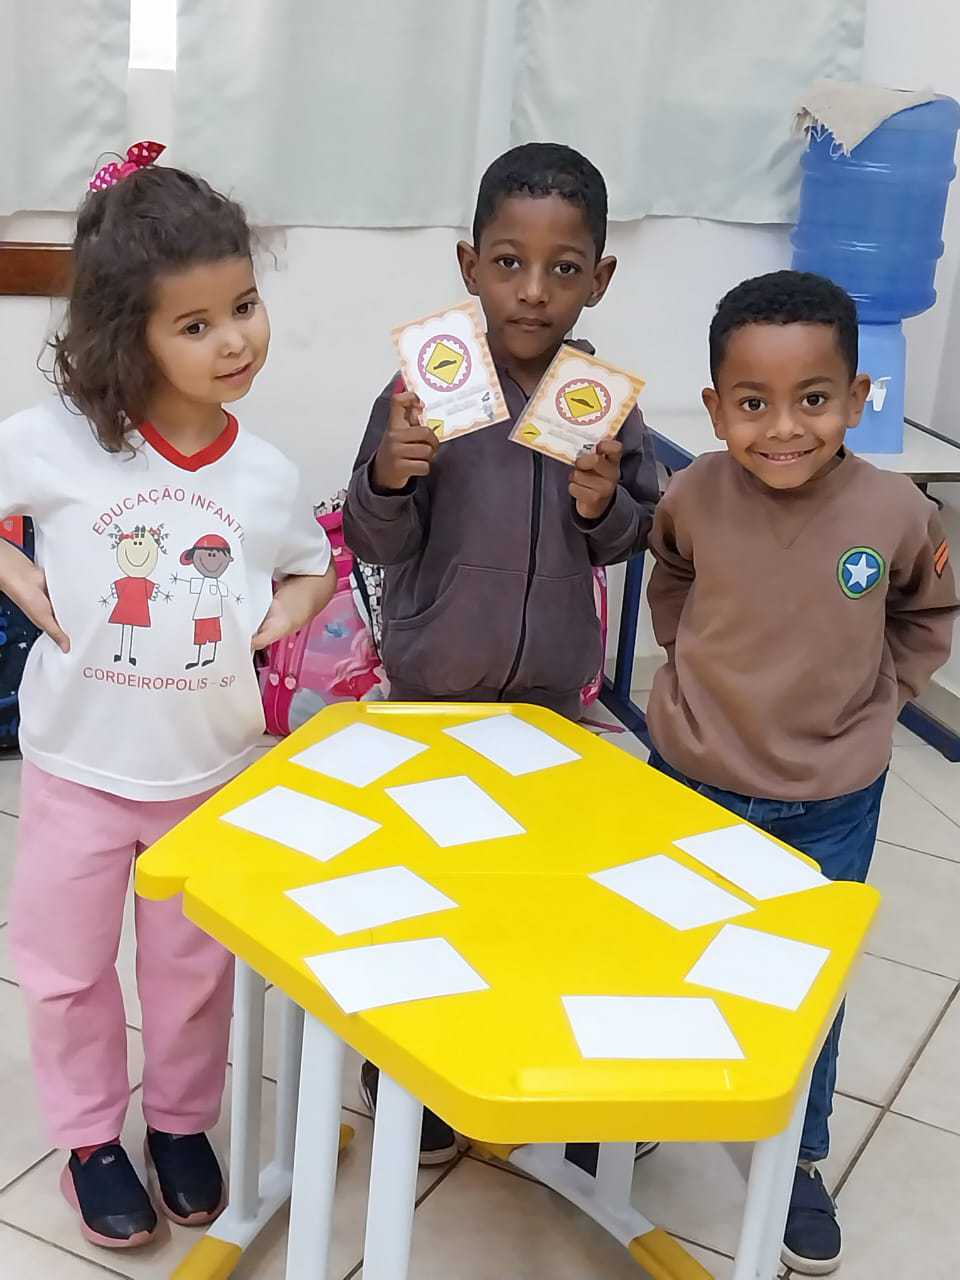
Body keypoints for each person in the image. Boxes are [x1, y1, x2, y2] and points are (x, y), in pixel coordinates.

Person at [0, 153, 336, 1251]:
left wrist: (282, 616)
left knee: (191, 976)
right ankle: (91, 1140)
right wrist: (17, 575)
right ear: (124, 336)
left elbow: (309, 565)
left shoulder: (265, 474)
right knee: (65, 971)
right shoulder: (56, 440)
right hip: (75, 767)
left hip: (208, 772)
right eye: (195, 324)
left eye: (244, 305)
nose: (235, 340)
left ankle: (181, 1123)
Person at [344, 142, 659, 1162]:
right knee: (423, 882)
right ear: (469, 264)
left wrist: (605, 506)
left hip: (550, 699)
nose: (533, 290)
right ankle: (406, 1060)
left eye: (563, 268)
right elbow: (376, 541)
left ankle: (512, 1041)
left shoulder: (601, 398)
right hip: (434, 690)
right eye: (509, 262)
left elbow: (632, 534)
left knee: (527, 883)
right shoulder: (428, 385)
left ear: (599, 279)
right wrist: (389, 477)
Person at [645, 270, 958, 1275]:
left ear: (858, 397)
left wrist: (880, 698)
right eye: (753, 402)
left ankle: (796, 1156)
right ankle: (641, 1105)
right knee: (664, 950)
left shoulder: (898, 511)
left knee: (802, 983)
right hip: (690, 778)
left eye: (813, 398)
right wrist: (690, 669)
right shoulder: (694, 491)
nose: (784, 428)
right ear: (715, 408)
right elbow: (671, 576)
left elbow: (927, 613)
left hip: (830, 798)